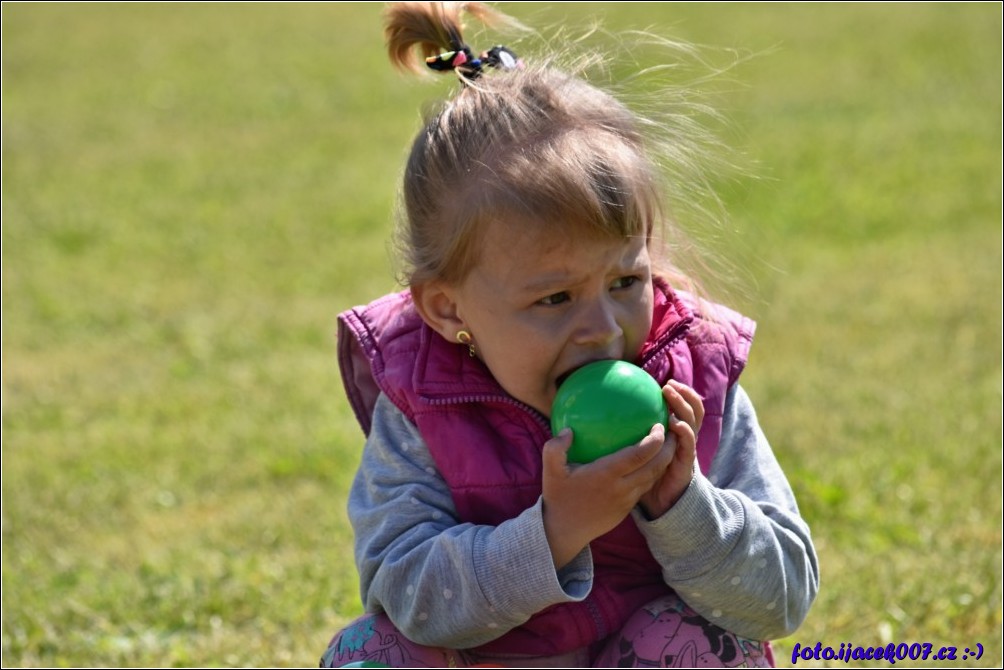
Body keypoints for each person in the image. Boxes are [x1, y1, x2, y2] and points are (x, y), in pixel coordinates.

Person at [320, 2, 819, 667]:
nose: (604, 330)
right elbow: (407, 594)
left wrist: (684, 505)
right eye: (554, 298)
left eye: (624, 281)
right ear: (448, 309)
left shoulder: (691, 383)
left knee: (702, 642)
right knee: (372, 650)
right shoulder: (422, 403)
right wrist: (555, 532)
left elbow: (779, 600)